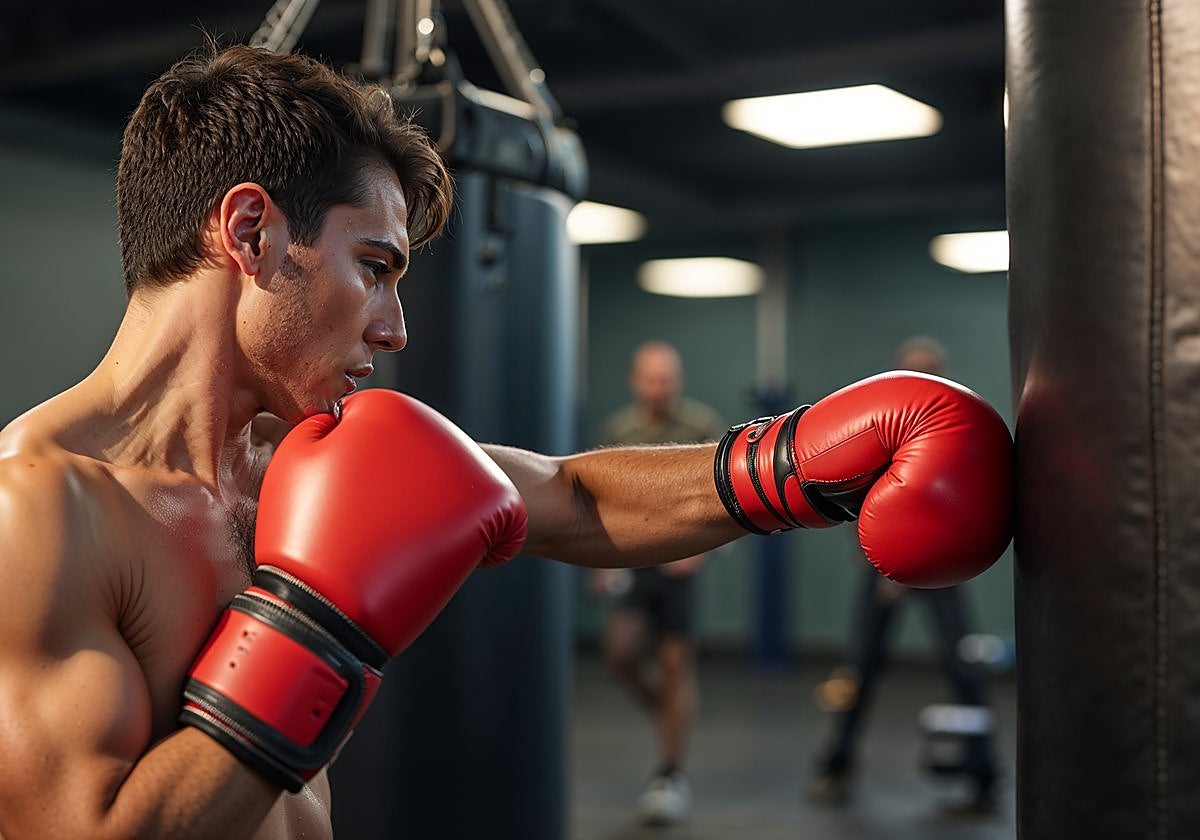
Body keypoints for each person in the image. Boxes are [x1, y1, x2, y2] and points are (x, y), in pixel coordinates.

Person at [0, 42, 1012, 840]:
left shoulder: (286, 459)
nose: (396, 329)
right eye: (377, 266)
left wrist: (794, 467)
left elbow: (568, 496)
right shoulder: (40, 510)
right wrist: (316, 625)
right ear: (252, 233)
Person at [806, 336, 1002, 814]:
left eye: (929, 373)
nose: (920, 382)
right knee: (861, 665)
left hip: (944, 568)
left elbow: (970, 499)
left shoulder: (959, 432)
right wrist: (884, 566)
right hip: (885, 571)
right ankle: (836, 762)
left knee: (964, 669)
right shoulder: (877, 434)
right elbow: (856, 500)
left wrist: (956, 557)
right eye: (912, 374)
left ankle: (984, 775)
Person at [589, 341, 725, 826]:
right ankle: (669, 716)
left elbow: (725, 501)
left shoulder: (701, 427)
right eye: (651, 379)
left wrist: (699, 554)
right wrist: (602, 565)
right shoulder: (619, 431)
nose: (659, 388)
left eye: (667, 379)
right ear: (636, 381)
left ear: (677, 380)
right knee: (621, 657)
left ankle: (670, 771)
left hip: (680, 568)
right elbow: (600, 505)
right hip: (634, 563)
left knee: (674, 665)